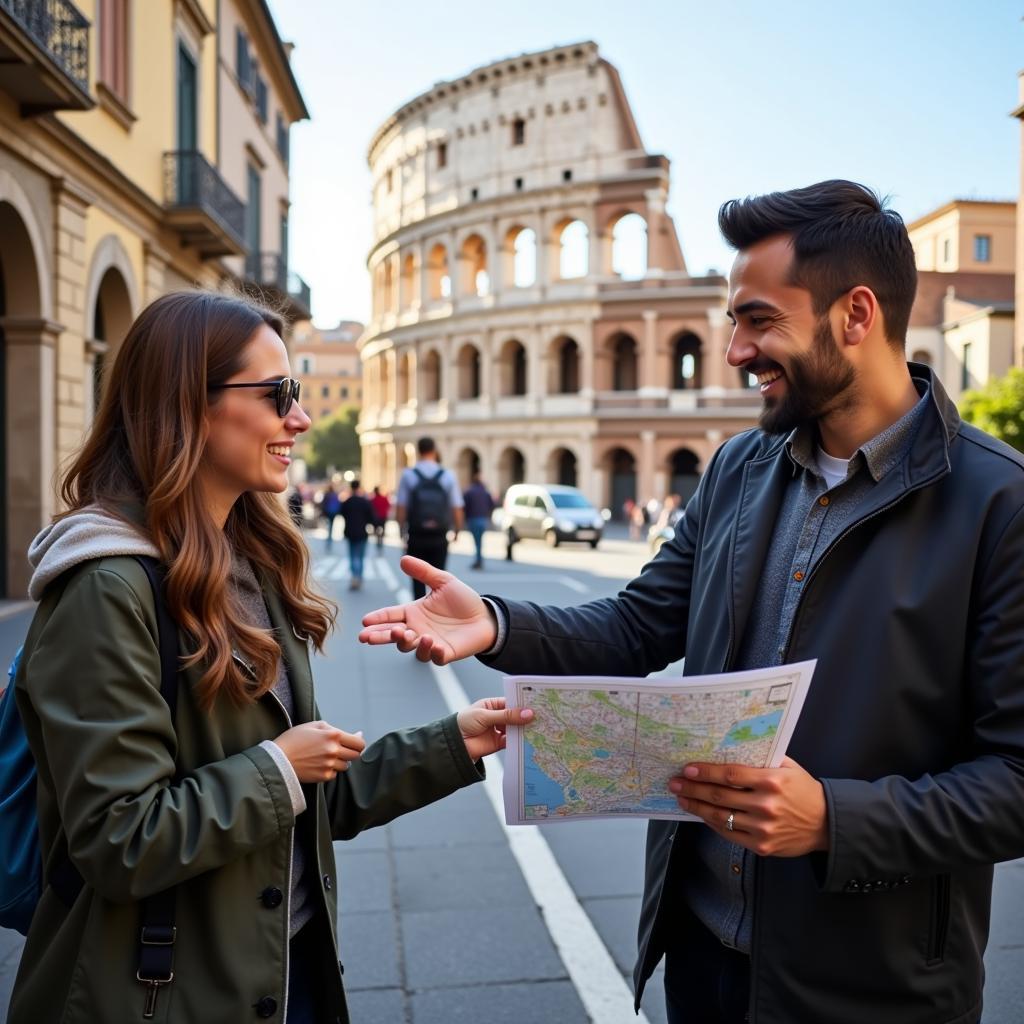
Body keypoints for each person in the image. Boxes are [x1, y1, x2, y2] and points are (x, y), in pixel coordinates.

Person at [358, 181, 1024, 1024]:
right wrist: (498, 621)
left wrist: (835, 820)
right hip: (702, 955)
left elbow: (1016, 777)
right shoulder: (739, 469)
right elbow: (639, 623)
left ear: (856, 315)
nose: (735, 351)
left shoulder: (999, 505)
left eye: (758, 321)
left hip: (875, 986)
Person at [8, 291, 531, 1024]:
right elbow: (117, 839)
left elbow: (302, 805)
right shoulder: (105, 588)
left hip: (286, 974)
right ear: (189, 404)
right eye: (279, 393)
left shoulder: (251, 565)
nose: (302, 418)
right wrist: (280, 766)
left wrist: (456, 741)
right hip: (159, 994)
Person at [395, 437, 464, 600]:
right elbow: (457, 506)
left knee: (417, 579)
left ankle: (418, 614)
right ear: (434, 450)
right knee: (439, 579)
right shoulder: (448, 475)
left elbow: (401, 507)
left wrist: (401, 531)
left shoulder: (409, 475)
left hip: (417, 533)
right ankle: (436, 615)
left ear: (418, 452)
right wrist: (458, 529)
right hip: (439, 534)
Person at [339, 480, 374, 590]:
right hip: (362, 532)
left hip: (350, 531)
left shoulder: (347, 502)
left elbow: (342, 514)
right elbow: (371, 517)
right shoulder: (364, 502)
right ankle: (359, 577)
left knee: (353, 555)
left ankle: (354, 577)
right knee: (360, 556)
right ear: (359, 487)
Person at [461, 470, 496, 569]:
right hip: (482, 519)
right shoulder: (485, 492)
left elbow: (464, 506)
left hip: (473, 519)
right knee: (480, 541)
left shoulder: (469, 491)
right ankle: (479, 560)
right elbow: (492, 504)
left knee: (477, 541)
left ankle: (478, 561)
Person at [321, 482, 341, 551]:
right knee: (331, 526)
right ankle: (330, 538)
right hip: (334, 513)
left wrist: (323, 512)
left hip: (328, 512)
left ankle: (329, 539)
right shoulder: (335, 495)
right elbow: (339, 504)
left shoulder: (327, 495)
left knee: (329, 526)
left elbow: (323, 504)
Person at [370, 485, 391, 550]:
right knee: (382, 529)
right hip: (382, 516)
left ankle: (378, 540)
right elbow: (388, 506)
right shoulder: (383, 498)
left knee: (377, 530)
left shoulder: (373, 500)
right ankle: (380, 540)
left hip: (376, 517)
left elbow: (371, 509)